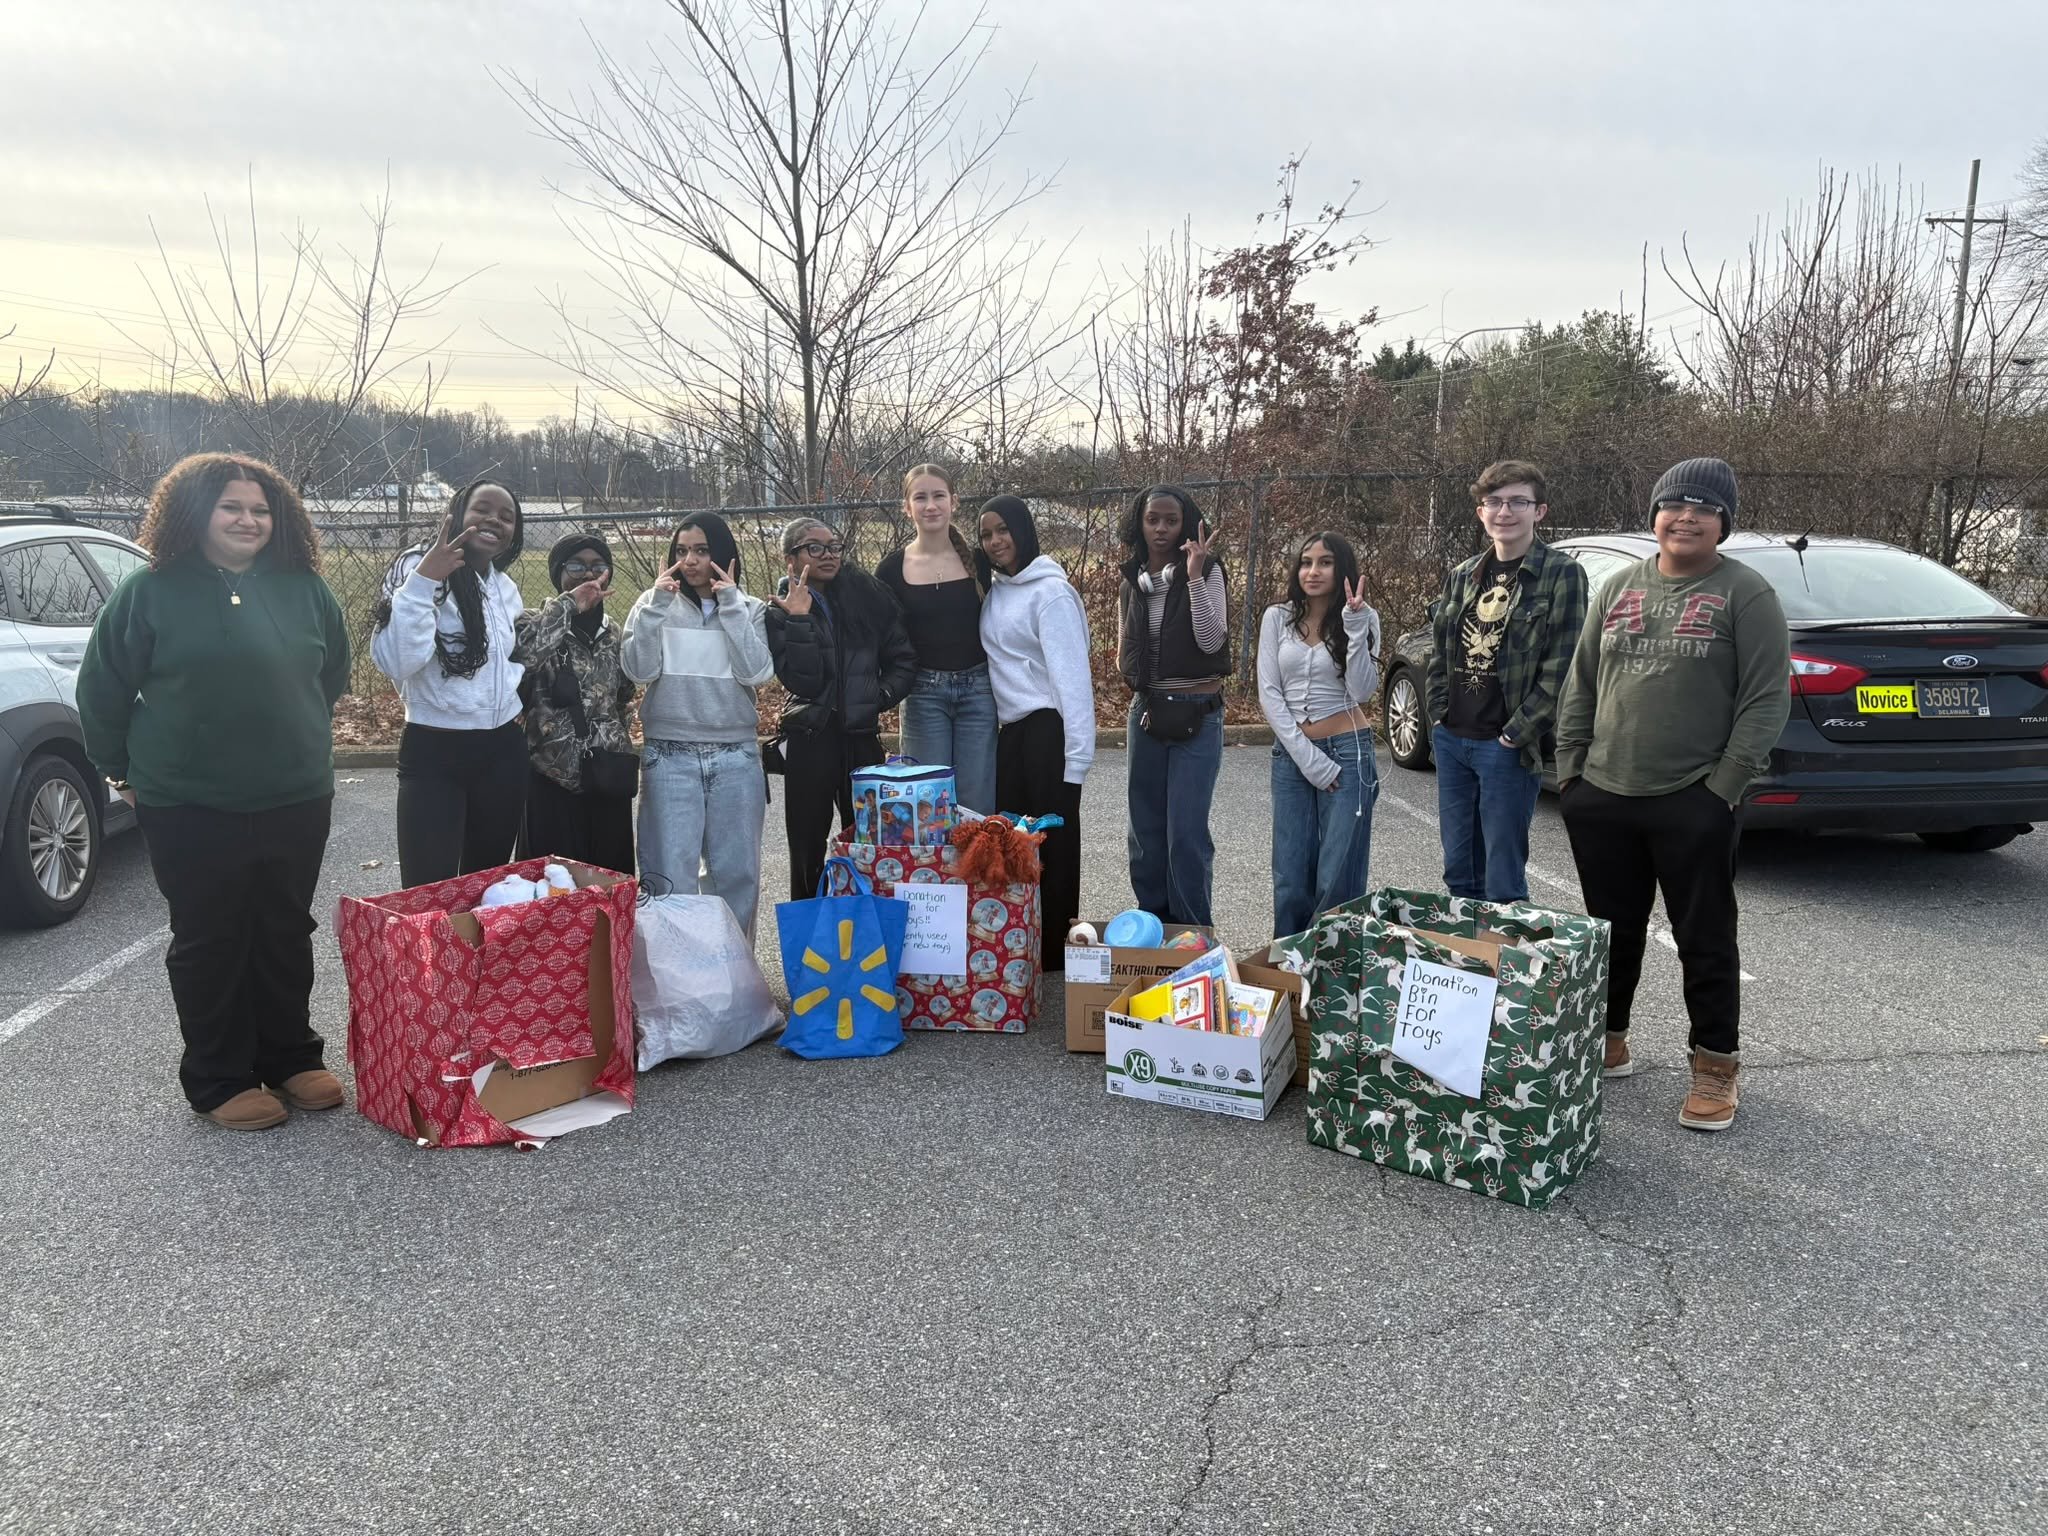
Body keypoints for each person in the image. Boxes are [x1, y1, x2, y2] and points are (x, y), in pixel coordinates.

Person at [75, 453, 351, 1132]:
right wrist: (121, 773)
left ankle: (289, 1055)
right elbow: (102, 691)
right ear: (196, 514)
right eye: (231, 507)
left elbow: (332, 674)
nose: (248, 519)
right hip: (188, 802)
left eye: (260, 509)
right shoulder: (149, 591)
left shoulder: (305, 588)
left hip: (295, 795)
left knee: (285, 928)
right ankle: (220, 1076)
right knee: (211, 935)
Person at [1556, 456, 1790, 1133]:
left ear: (1723, 523)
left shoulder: (1745, 594)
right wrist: (1572, 772)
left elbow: (1766, 699)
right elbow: (1583, 682)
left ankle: (1715, 1066)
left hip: (1694, 796)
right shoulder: (1620, 586)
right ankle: (1608, 1039)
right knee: (1610, 932)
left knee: (1705, 936)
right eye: (1674, 504)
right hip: (1603, 791)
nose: (1686, 516)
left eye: (1703, 507)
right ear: (1654, 515)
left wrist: (1722, 789)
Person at [1425, 460, 1590, 904]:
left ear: (1540, 511)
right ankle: (1466, 967)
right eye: (1494, 502)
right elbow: (1440, 651)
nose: (1505, 511)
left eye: (1519, 501)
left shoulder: (1562, 574)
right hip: (1453, 738)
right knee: (1459, 871)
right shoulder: (1463, 576)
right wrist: (1439, 715)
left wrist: (1516, 734)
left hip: (1506, 748)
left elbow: (1564, 665)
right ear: (1481, 512)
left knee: (1502, 879)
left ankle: (1504, 966)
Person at [621, 512, 776, 940]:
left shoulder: (748, 609)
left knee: (736, 874)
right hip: (669, 755)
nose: (690, 560)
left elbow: (757, 672)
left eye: (702, 550)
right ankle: (675, 988)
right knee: (669, 874)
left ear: (723, 554)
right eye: (682, 550)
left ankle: (734, 983)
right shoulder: (654, 604)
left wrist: (730, 606)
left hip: (736, 754)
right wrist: (653, 608)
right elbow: (637, 669)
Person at [371, 480, 528, 887]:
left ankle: (479, 955)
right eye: (483, 510)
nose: (494, 520)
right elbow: (397, 661)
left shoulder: (503, 588)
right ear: (458, 513)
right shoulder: (416, 567)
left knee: (487, 889)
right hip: (436, 751)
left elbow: (506, 663)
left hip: (501, 752)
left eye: (507, 516)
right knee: (428, 893)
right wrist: (425, 580)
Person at [766, 517, 917, 900]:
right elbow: (803, 682)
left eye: (834, 546)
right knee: (806, 850)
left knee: (869, 845)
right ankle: (808, 948)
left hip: (861, 740)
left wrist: (876, 697)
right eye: (813, 547)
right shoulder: (780, 609)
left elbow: (904, 661)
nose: (828, 555)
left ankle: (869, 939)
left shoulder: (868, 597)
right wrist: (799, 619)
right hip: (810, 740)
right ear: (790, 558)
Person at [976, 495, 1095, 971]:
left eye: (1003, 529)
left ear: (1023, 531)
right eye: (986, 534)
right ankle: (1022, 940)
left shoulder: (1051, 593)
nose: (995, 541)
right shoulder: (999, 589)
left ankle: (1057, 956)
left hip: (1049, 730)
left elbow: (1072, 679)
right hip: (1013, 733)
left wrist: (1078, 759)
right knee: (1015, 841)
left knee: (1055, 843)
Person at [1256, 531, 1382, 939]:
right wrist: (1309, 759)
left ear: (1341, 568)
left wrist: (1356, 629)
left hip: (1349, 751)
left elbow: (1362, 691)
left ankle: (1332, 971)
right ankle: (1288, 968)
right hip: (1293, 755)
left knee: (1337, 876)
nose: (1313, 571)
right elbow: (1270, 694)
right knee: (1290, 873)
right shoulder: (1277, 617)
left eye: (1325, 562)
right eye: (1306, 561)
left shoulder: (1364, 616)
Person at [1117, 484, 1230, 926]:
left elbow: (1211, 639)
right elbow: (1127, 649)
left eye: (1171, 520)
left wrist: (1196, 574)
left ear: (1186, 524)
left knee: (1185, 834)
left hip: (1198, 711)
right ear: (1140, 524)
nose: (1161, 529)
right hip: (1147, 710)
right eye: (1152, 520)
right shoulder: (1134, 579)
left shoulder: (1209, 570)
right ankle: (1153, 927)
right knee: (1144, 833)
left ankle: (1193, 935)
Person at [514, 531, 637, 875]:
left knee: (609, 885)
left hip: (606, 776)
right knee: (551, 891)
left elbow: (624, 695)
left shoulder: (614, 634)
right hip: (550, 777)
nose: (588, 573)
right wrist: (570, 604)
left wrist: (610, 738)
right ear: (558, 573)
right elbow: (524, 657)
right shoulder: (533, 622)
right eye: (576, 565)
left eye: (598, 566)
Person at [875, 464, 997, 812]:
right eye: (921, 497)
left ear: (954, 502)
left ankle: (973, 870)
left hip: (979, 691)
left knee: (976, 807)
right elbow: (880, 637)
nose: (931, 505)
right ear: (906, 506)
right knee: (927, 805)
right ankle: (930, 870)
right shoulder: (891, 569)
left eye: (939, 496)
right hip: (922, 694)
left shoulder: (980, 561)